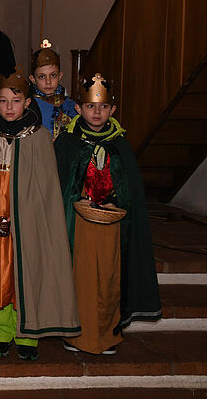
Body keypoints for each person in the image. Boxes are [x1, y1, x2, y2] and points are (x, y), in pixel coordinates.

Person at [0, 70, 80, 361]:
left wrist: (29, 218)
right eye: (3, 101)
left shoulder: (40, 138)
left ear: (27, 102)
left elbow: (46, 190)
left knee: (28, 273)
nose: (9, 107)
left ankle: (28, 334)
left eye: (16, 100)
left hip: (30, 223)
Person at [55, 73, 161, 355]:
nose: (97, 112)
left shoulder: (121, 144)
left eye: (102, 107)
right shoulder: (67, 142)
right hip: (78, 225)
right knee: (82, 279)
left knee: (109, 280)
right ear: (78, 109)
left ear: (112, 110)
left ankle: (107, 333)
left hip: (113, 225)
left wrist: (116, 202)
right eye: (90, 106)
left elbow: (130, 189)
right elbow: (60, 184)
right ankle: (76, 334)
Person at [29, 40, 77, 139]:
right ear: (33, 79)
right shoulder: (29, 107)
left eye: (53, 75)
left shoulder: (72, 106)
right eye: (42, 77)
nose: (48, 82)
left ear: (60, 76)